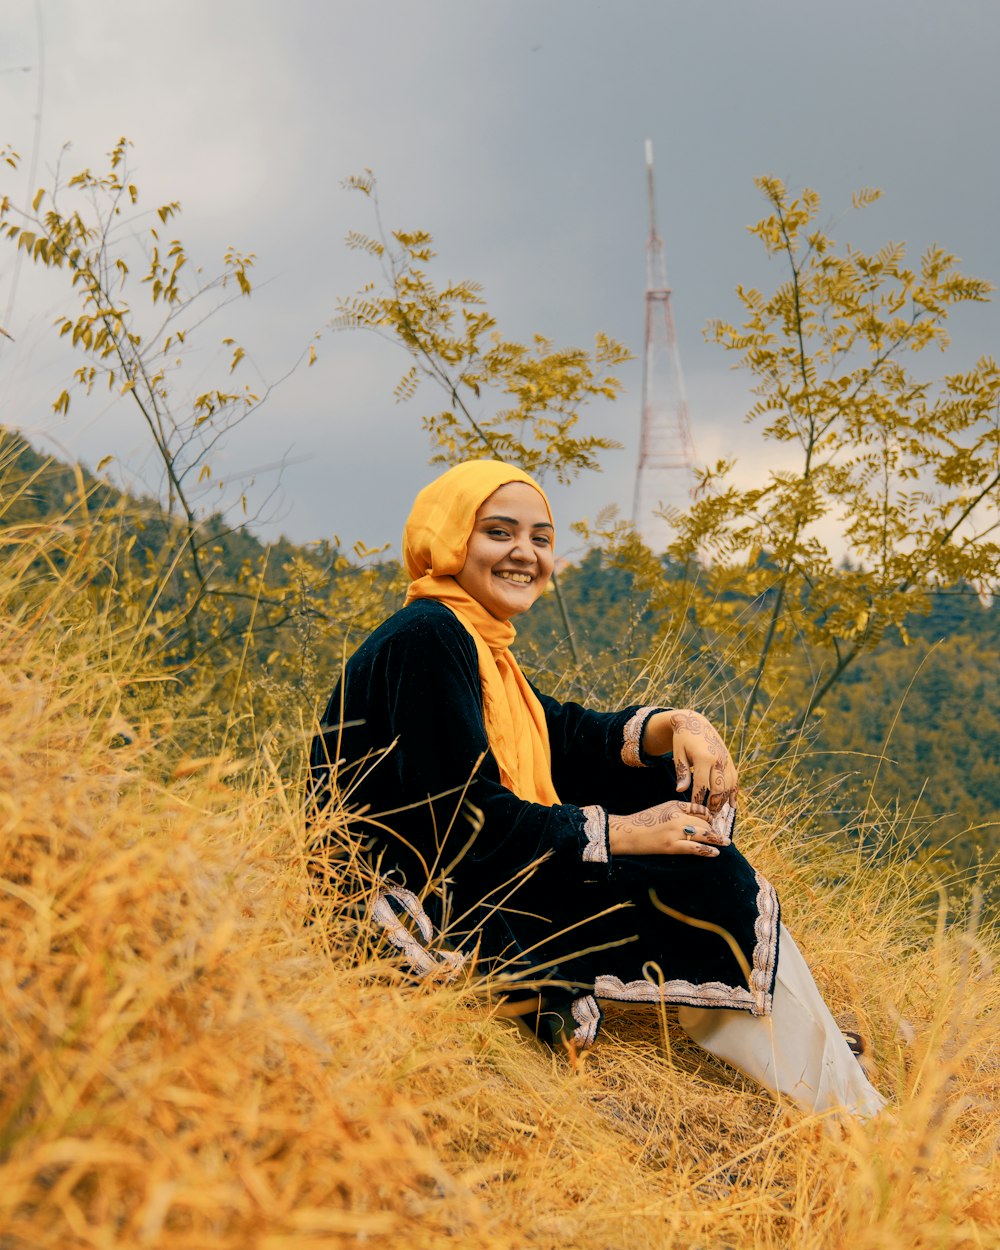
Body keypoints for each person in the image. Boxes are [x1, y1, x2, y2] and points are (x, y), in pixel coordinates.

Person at [310, 460, 885, 1119]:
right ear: (449, 540)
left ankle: (829, 1072)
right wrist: (627, 832)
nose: (525, 553)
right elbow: (460, 819)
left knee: (683, 837)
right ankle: (845, 1107)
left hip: (466, 882)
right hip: (419, 902)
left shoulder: (476, 645)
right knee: (698, 874)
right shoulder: (428, 636)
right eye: (499, 532)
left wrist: (680, 726)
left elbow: (567, 737)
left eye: (542, 537)